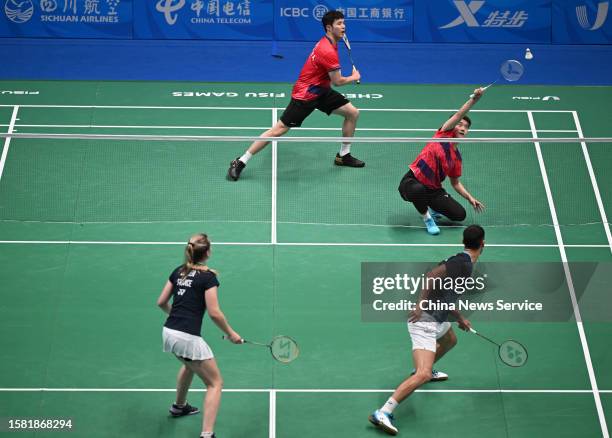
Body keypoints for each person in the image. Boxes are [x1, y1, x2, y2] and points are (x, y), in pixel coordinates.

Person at [369, 225, 485, 436]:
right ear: (483, 244)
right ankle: (383, 412)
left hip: (437, 316)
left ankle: (427, 369)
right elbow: (431, 275)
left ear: (463, 241)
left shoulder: (464, 261)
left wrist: (460, 318)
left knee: (450, 339)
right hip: (424, 321)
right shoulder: (462, 263)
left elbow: (447, 295)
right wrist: (420, 304)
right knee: (421, 375)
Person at [227, 10, 364, 181]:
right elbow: (337, 81)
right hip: (305, 95)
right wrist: (354, 77)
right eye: (339, 24)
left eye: (344, 23)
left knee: (352, 113)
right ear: (329, 28)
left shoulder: (331, 41)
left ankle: (343, 155)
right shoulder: (327, 50)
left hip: (321, 90)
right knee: (278, 130)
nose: (343, 27)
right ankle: (240, 161)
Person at [157, 233, 242, 438]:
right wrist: (231, 334)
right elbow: (214, 312)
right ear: (208, 253)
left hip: (169, 332)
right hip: (187, 337)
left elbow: (161, 302)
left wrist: (177, 316)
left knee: (189, 364)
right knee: (215, 383)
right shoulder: (208, 278)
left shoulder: (178, 271)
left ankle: (179, 407)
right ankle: (207, 434)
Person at [398, 89, 486, 235]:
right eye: (460, 124)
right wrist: (474, 99)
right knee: (417, 190)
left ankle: (431, 206)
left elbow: (455, 183)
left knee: (459, 215)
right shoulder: (443, 134)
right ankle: (427, 219)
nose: (463, 128)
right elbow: (459, 115)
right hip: (412, 181)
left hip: (433, 191)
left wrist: (470, 197)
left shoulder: (456, 158)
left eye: (466, 127)